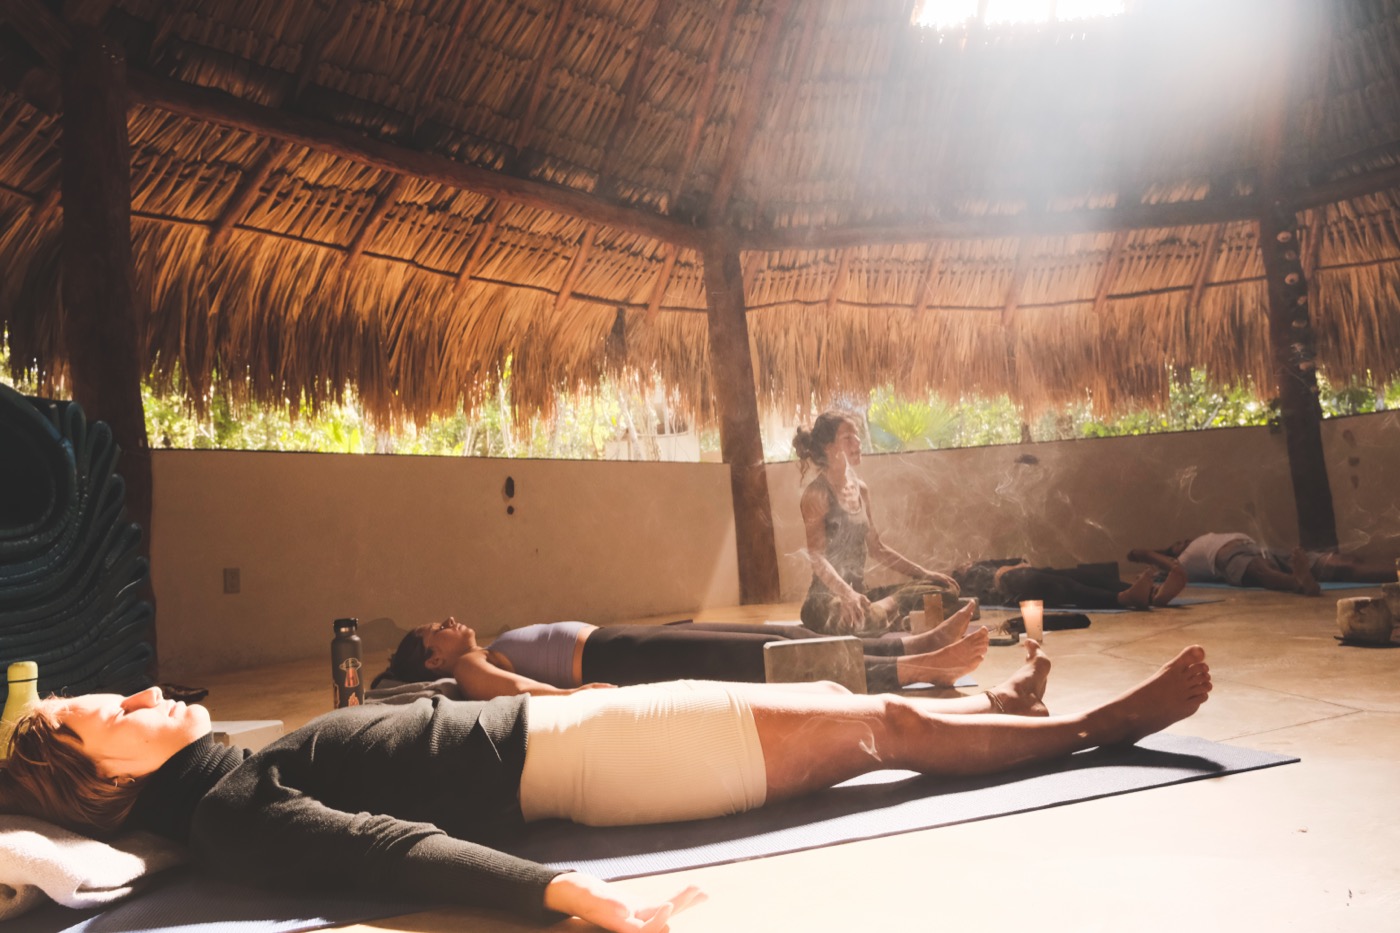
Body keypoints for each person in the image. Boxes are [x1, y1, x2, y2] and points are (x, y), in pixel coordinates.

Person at [0, 642, 1212, 933]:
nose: (139, 694)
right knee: (878, 728)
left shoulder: (220, 775)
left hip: (579, 733)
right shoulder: (227, 811)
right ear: (101, 775)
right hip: (601, 761)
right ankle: (1095, 729)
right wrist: (572, 896)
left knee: (857, 713)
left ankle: (1019, 717)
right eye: (112, 712)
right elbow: (381, 852)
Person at [372, 608, 990, 699]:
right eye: (435, 631)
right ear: (433, 660)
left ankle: (913, 643)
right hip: (621, 659)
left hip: (625, 644)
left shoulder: (481, 650)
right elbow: (510, 691)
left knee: (779, 639)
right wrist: (571, 695)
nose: (447, 623)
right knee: (768, 662)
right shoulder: (468, 666)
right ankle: (915, 669)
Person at [792, 410, 960, 636]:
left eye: (857, 435)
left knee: (944, 590)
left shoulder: (861, 489)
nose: (857, 441)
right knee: (860, 620)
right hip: (826, 601)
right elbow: (817, 558)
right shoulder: (816, 494)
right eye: (847, 438)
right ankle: (889, 612)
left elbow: (877, 548)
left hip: (861, 595)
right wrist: (847, 594)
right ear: (829, 448)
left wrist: (924, 573)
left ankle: (887, 610)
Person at [1129, 533, 1398, 596]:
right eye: (1178, 543)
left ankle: (1396, 569)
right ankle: (1298, 583)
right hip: (1231, 558)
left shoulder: (1207, 536)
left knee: (1342, 564)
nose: (1184, 541)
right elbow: (1171, 566)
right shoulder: (1184, 560)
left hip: (1262, 548)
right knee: (1260, 571)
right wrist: (1147, 553)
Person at [951, 558, 1187, 610]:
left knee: (1079, 574)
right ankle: (1122, 598)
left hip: (1025, 575)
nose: (966, 562)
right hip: (1009, 587)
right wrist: (1009, 571)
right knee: (1062, 585)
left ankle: (1153, 596)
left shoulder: (984, 563)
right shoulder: (961, 580)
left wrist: (1018, 564)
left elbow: (1019, 560)